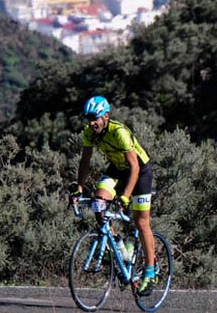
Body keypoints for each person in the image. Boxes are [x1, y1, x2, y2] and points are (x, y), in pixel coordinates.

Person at [71, 95, 159, 296]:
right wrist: (79, 187)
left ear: (106, 116)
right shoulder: (89, 133)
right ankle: (119, 248)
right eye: (88, 118)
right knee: (98, 203)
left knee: (141, 222)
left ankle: (150, 272)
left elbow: (134, 166)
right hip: (117, 170)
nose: (92, 122)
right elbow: (85, 161)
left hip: (139, 171)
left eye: (96, 118)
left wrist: (126, 196)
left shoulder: (119, 132)